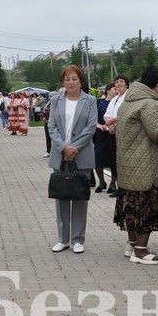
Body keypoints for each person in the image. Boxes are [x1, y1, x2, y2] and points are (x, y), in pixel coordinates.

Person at [114, 67, 158, 265]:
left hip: (129, 164)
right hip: (147, 164)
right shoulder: (150, 103)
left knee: (131, 206)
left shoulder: (128, 101)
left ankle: (132, 244)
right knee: (146, 207)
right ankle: (141, 251)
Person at [48, 65, 97, 254]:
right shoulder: (55, 101)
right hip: (60, 155)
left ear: (80, 81)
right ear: (62, 82)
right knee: (61, 195)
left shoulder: (90, 101)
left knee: (79, 196)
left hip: (81, 154)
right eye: (67, 79)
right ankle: (62, 239)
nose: (70, 82)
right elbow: (51, 126)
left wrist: (74, 147)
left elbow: (91, 127)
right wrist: (63, 147)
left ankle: (77, 239)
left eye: (74, 79)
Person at [103, 75, 130, 196]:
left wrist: (112, 121)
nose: (118, 84)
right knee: (114, 160)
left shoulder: (128, 98)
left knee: (122, 161)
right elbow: (106, 115)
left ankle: (124, 187)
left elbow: (127, 115)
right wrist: (109, 124)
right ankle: (117, 185)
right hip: (111, 132)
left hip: (123, 132)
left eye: (121, 82)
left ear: (126, 84)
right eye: (117, 82)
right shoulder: (114, 98)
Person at [93, 83, 117, 192]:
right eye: (114, 88)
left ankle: (113, 183)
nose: (116, 90)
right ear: (108, 90)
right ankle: (102, 182)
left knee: (113, 159)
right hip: (100, 134)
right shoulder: (99, 102)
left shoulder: (118, 102)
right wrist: (99, 125)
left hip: (113, 134)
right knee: (98, 159)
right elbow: (92, 117)